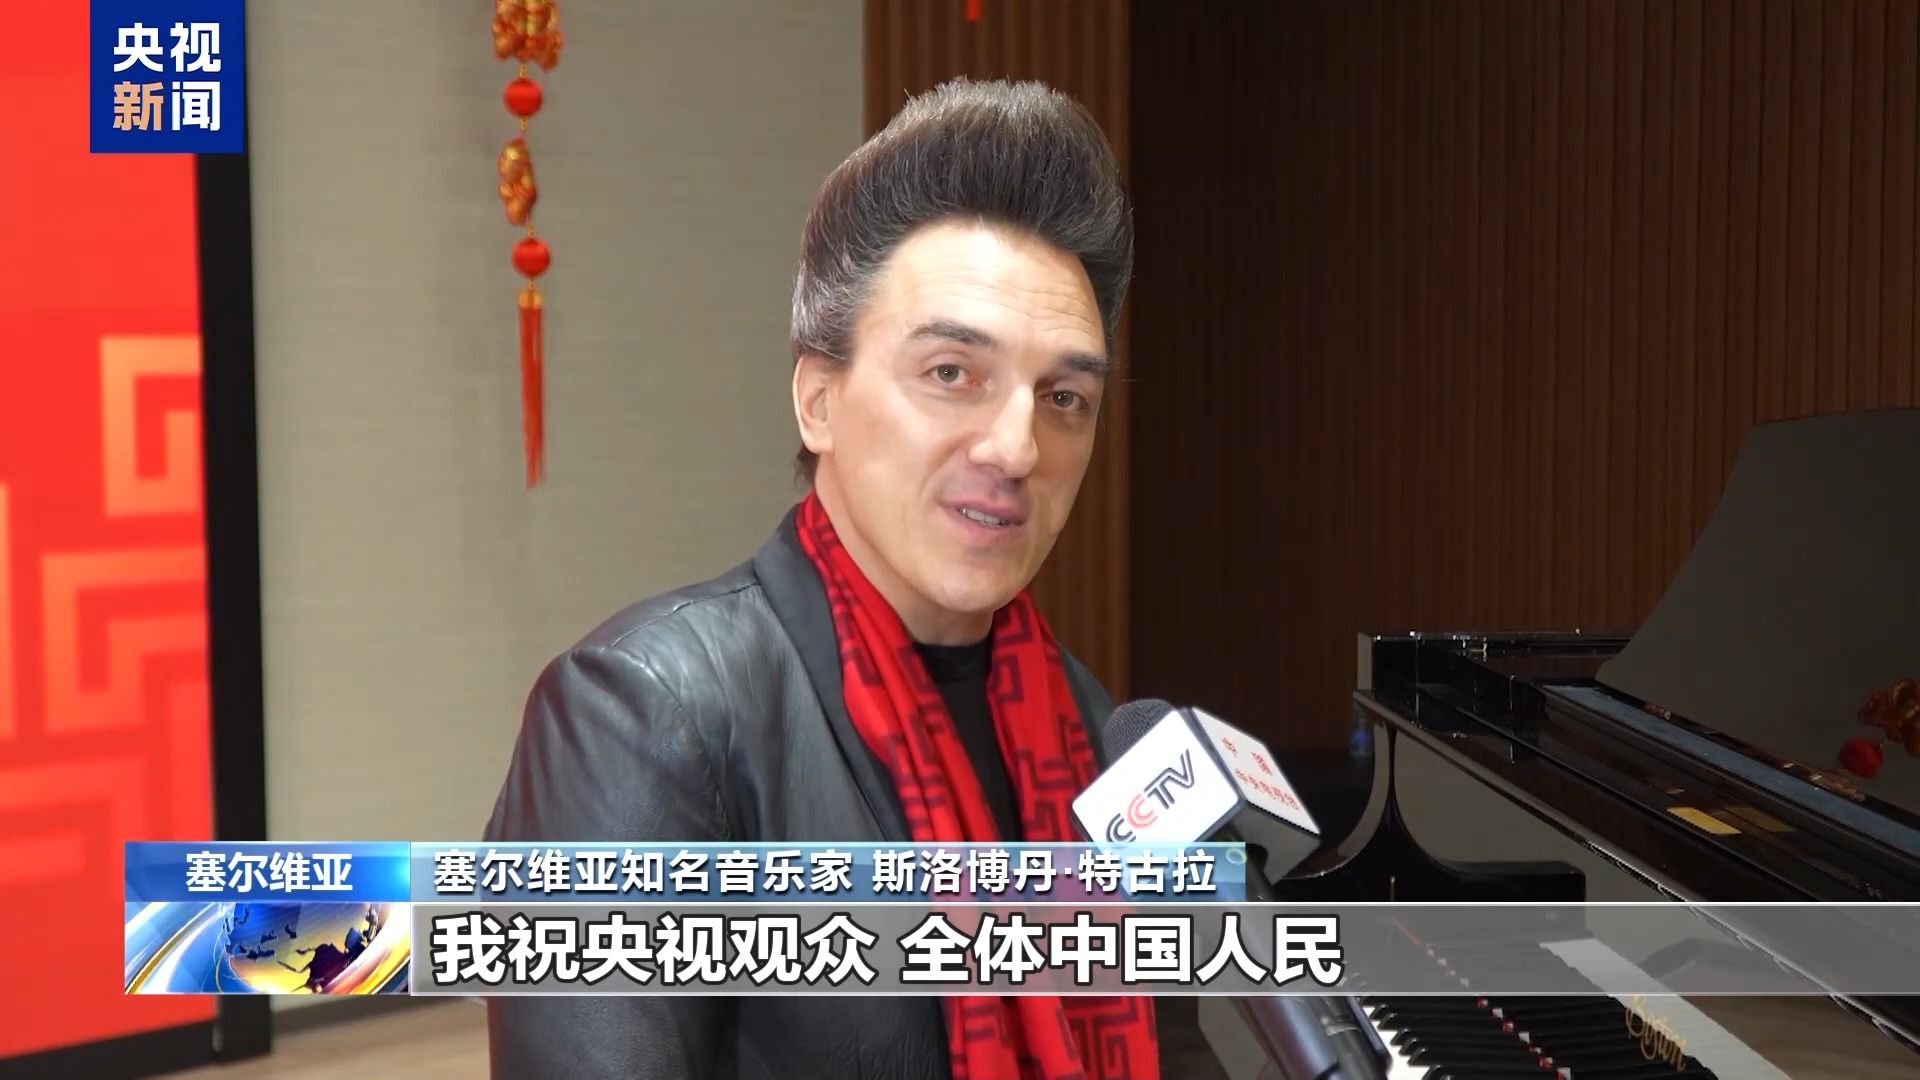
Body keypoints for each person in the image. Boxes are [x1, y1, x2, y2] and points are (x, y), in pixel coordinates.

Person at [483, 77, 1150, 1080]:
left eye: (1064, 397)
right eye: (952, 374)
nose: (1017, 449)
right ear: (818, 401)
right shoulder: (642, 715)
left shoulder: (1085, 723)